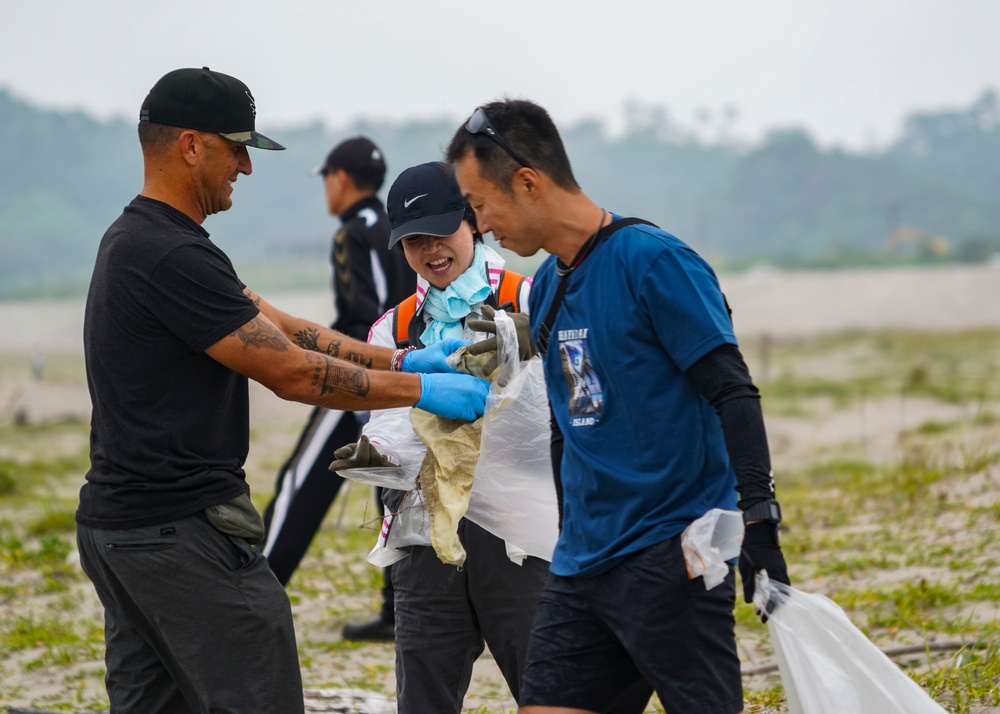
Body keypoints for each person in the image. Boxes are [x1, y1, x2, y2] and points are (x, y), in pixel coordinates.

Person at [75, 67, 488, 714]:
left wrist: (401, 354)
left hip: (122, 530)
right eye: (235, 147)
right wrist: (419, 388)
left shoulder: (149, 241)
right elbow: (291, 372)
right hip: (179, 532)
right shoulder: (168, 255)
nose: (244, 165)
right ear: (190, 145)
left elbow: (283, 327)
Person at [445, 100, 791, 714]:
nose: (477, 224)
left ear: (527, 181)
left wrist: (760, 524)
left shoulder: (655, 262)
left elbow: (733, 390)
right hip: (581, 564)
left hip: (671, 552)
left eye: (477, 205)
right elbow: (565, 427)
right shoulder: (549, 286)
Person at [328, 161, 551, 713]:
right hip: (426, 536)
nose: (430, 250)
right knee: (424, 692)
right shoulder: (394, 331)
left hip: (525, 535)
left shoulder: (532, 300)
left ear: (472, 220)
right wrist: (374, 459)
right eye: (413, 240)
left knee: (551, 690)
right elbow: (387, 437)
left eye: (441, 231)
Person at [261, 136, 414, 643]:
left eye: (326, 177)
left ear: (340, 179)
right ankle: (400, 612)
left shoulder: (354, 232)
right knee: (397, 491)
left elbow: (362, 315)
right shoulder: (405, 227)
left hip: (358, 378)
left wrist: (346, 374)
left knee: (300, 483)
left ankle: (254, 592)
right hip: (409, 378)